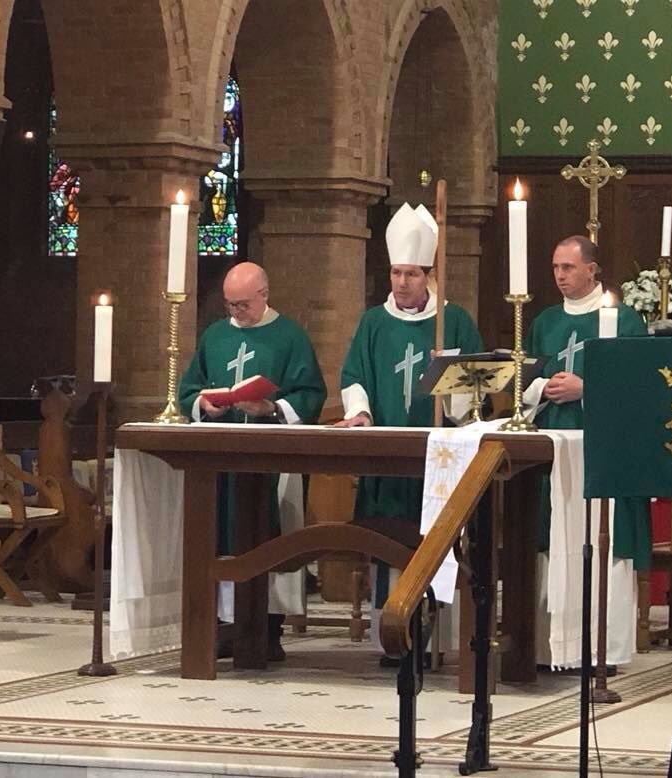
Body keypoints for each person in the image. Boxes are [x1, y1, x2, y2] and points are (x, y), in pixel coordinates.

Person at [334, 202, 483, 657]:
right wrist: (361, 412)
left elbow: (477, 387)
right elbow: (354, 376)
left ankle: (436, 635)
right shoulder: (374, 322)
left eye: (412, 274)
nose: (402, 282)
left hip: (439, 457)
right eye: (397, 273)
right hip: (389, 456)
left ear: (429, 275)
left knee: (435, 539)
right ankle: (393, 638)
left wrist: (450, 384)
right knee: (387, 539)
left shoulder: (453, 321)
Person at [178, 261, 327, 659]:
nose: (236, 312)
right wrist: (203, 404)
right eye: (230, 305)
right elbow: (189, 388)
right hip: (221, 459)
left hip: (272, 459)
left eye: (242, 304)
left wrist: (271, 407)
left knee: (269, 534)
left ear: (264, 294)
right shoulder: (215, 336)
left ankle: (267, 627)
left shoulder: (290, 337)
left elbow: (311, 393)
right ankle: (223, 625)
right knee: (221, 534)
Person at [523, 235, 650, 668]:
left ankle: (602, 650)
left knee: (603, 541)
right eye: (555, 268)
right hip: (554, 450)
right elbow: (525, 378)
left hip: (604, 449)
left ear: (592, 270)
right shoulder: (543, 322)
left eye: (569, 267)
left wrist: (586, 387)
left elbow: (640, 384)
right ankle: (551, 648)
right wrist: (544, 387)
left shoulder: (625, 321)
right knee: (554, 539)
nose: (560, 276)